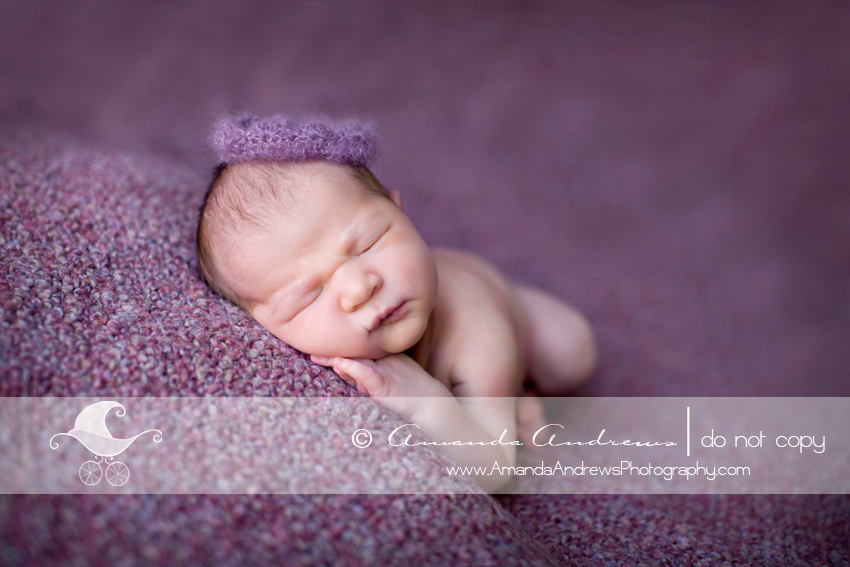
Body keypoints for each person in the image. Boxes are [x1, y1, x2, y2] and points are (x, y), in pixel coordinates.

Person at [197, 114, 596, 491]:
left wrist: (424, 403)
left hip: (501, 306)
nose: (359, 288)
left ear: (401, 211)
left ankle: (520, 374)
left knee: (568, 354)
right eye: (310, 295)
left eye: (369, 243)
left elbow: (496, 471)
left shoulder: (479, 332)